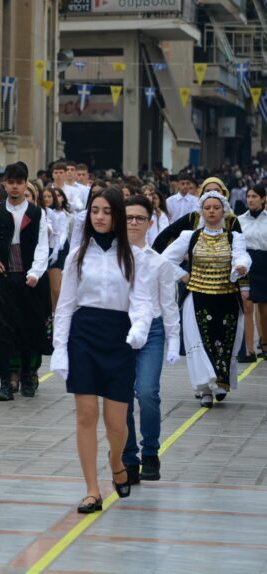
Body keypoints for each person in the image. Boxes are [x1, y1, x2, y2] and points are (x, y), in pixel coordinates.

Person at [51, 186, 152, 513]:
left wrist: (138, 330)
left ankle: (117, 462)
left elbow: (142, 302)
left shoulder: (133, 256)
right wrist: (60, 348)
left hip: (119, 338)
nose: (99, 217)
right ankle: (92, 490)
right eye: (95, 210)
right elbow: (65, 306)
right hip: (83, 337)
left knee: (116, 423)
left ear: (117, 216)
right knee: (86, 416)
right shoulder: (77, 255)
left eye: (107, 211)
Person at [162, 191, 251, 408]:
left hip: (227, 298)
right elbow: (165, 259)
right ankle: (204, 389)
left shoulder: (234, 237)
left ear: (224, 211)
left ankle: (220, 383)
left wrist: (241, 266)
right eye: (207, 208)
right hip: (197, 297)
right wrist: (182, 275)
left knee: (224, 341)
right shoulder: (189, 236)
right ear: (201, 211)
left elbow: (241, 255)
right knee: (200, 343)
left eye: (216, 208)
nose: (212, 211)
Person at [0, 162, 50, 400]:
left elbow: (42, 247)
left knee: (28, 328)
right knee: (1, 331)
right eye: (11, 182)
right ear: (4, 184)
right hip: (2, 278)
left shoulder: (36, 213)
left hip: (28, 279)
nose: (15, 187)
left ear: (26, 184)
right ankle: (6, 382)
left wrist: (35, 273)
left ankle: (28, 376)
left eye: (19, 182)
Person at [122, 195, 181, 484]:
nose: (133, 223)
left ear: (150, 222)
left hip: (153, 331)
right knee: (120, 397)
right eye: (128, 218)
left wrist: (174, 341)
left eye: (139, 218)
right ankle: (128, 456)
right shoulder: (110, 258)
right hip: (119, 329)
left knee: (146, 392)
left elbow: (169, 304)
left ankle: (150, 452)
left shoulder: (160, 263)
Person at [238, 184, 267, 359]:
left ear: (263, 199)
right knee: (247, 305)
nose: (250, 200)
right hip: (245, 264)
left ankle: (265, 345)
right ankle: (248, 350)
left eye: (254, 196)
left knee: (264, 308)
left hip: (264, 263)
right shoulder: (240, 220)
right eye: (248, 196)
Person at [46, 186, 71, 310]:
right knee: (47, 287)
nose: (47, 199)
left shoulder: (61, 214)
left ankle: (59, 311)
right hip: (45, 249)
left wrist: (56, 250)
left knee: (55, 286)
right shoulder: (41, 211)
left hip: (58, 248)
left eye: (49, 196)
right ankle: (51, 313)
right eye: (44, 196)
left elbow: (63, 233)